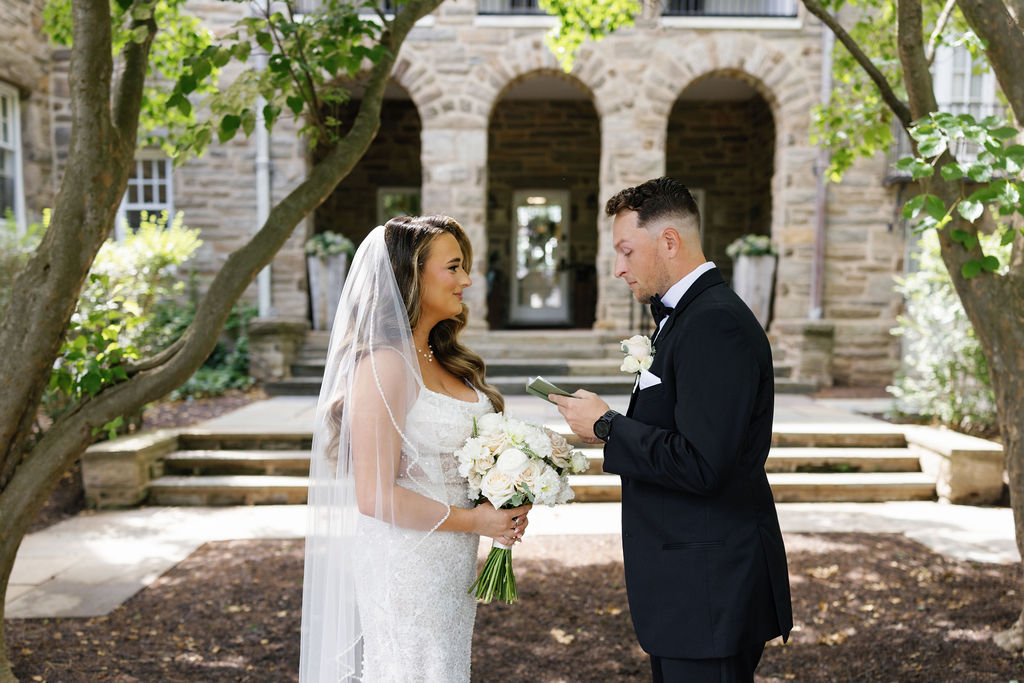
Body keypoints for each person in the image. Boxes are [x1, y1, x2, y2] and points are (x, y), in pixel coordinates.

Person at [551, 177, 792, 682]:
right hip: (691, 591)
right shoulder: (687, 317)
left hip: (710, 590)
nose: (618, 269)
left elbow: (704, 463)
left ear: (668, 241)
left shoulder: (715, 322)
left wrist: (608, 426)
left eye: (625, 251)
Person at [299, 215, 531, 682]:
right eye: (454, 267)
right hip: (407, 564)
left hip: (449, 562)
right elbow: (375, 496)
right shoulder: (386, 365)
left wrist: (505, 491)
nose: (467, 280)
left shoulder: (440, 357)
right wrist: (478, 520)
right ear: (411, 275)